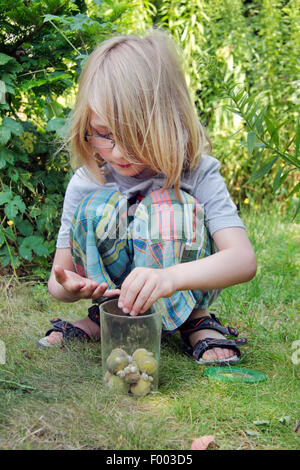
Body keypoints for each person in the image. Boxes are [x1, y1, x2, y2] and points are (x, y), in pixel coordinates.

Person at [38, 29, 257, 365]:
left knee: (167, 206)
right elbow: (59, 279)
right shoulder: (88, 180)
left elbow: (243, 260)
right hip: (113, 294)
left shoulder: (196, 171)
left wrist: (169, 278)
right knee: (94, 207)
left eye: (134, 134)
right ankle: (109, 315)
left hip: (180, 289)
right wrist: (71, 287)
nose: (120, 151)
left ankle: (192, 319)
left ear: (170, 121)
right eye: (104, 134)